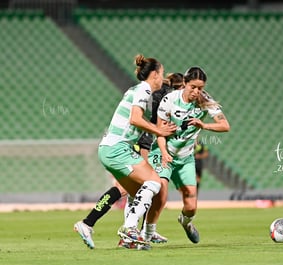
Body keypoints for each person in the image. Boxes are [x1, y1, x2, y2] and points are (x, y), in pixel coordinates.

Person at [73, 54, 177, 249]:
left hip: (111, 147)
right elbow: (135, 119)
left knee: (136, 192)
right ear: (154, 74)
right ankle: (129, 229)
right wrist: (159, 130)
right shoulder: (144, 89)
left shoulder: (137, 90)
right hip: (116, 148)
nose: (162, 78)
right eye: (161, 73)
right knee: (154, 182)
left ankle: (90, 226)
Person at [120, 66, 230, 249]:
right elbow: (161, 131)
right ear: (184, 84)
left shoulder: (205, 100)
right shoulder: (169, 100)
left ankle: (185, 222)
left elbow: (225, 125)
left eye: (200, 88)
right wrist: (163, 152)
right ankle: (146, 237)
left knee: (191, 205)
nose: (196, 92)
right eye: (193, 87)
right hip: (163, 153)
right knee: (160, 194)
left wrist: (204, 125)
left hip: (186, 159)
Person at [117, 72, 184, 248]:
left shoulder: (162, 95)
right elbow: (151, 123)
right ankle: (130, 232)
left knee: (141, 189)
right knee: (145, 186)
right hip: (144, 141)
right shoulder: (164, 97)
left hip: (145, 140)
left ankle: (134, 234)